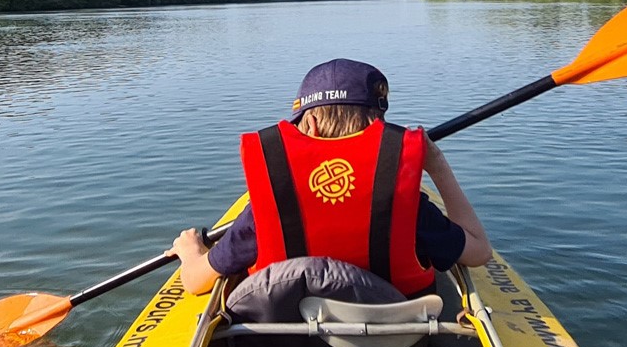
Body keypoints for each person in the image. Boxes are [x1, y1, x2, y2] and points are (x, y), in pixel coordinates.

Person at [168, 58, 492, 317]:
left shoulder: (269, 211)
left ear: (307, 124)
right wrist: (436, 163)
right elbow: (479, 252)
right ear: (377, 125)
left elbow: (195, 281)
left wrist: (191, 249)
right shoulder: (407, 208)